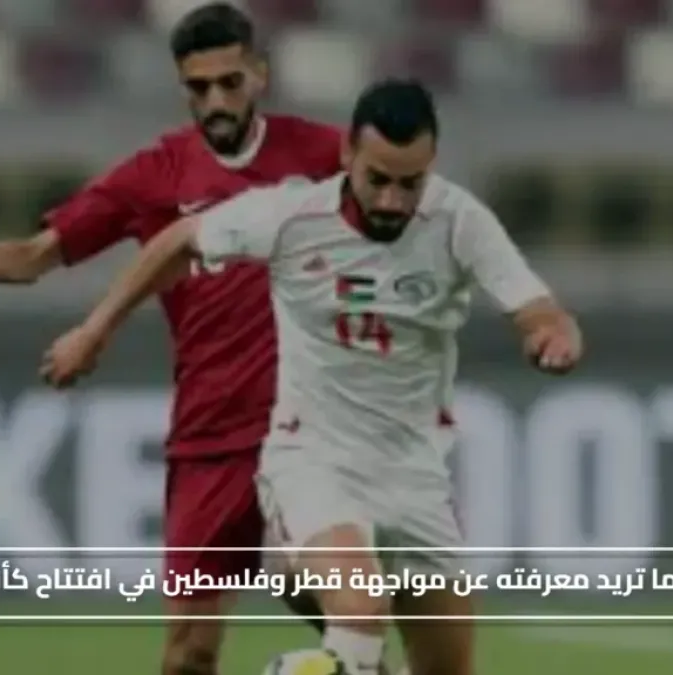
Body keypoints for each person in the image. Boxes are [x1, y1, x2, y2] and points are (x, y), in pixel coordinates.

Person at [0, 4, 349, 673]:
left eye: (229, 82)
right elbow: (35, 256)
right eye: (200, 87)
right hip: (210, 433)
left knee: (315, 580)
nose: (216, 100)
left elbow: (409, 207)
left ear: (259, 75)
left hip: (307, 426)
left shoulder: (325, 154)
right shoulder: (156, 175)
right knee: (188, 653)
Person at [37, 79, 584, 675]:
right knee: (360, 612)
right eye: (378, 179)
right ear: (347, 154)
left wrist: (551, 335)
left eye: (411, 183)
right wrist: (94, 331)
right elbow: (178, 241)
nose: (392, 200)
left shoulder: (460, 222)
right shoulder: (292, 215)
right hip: (315, 464)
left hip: (416, 479)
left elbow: (538, 309)